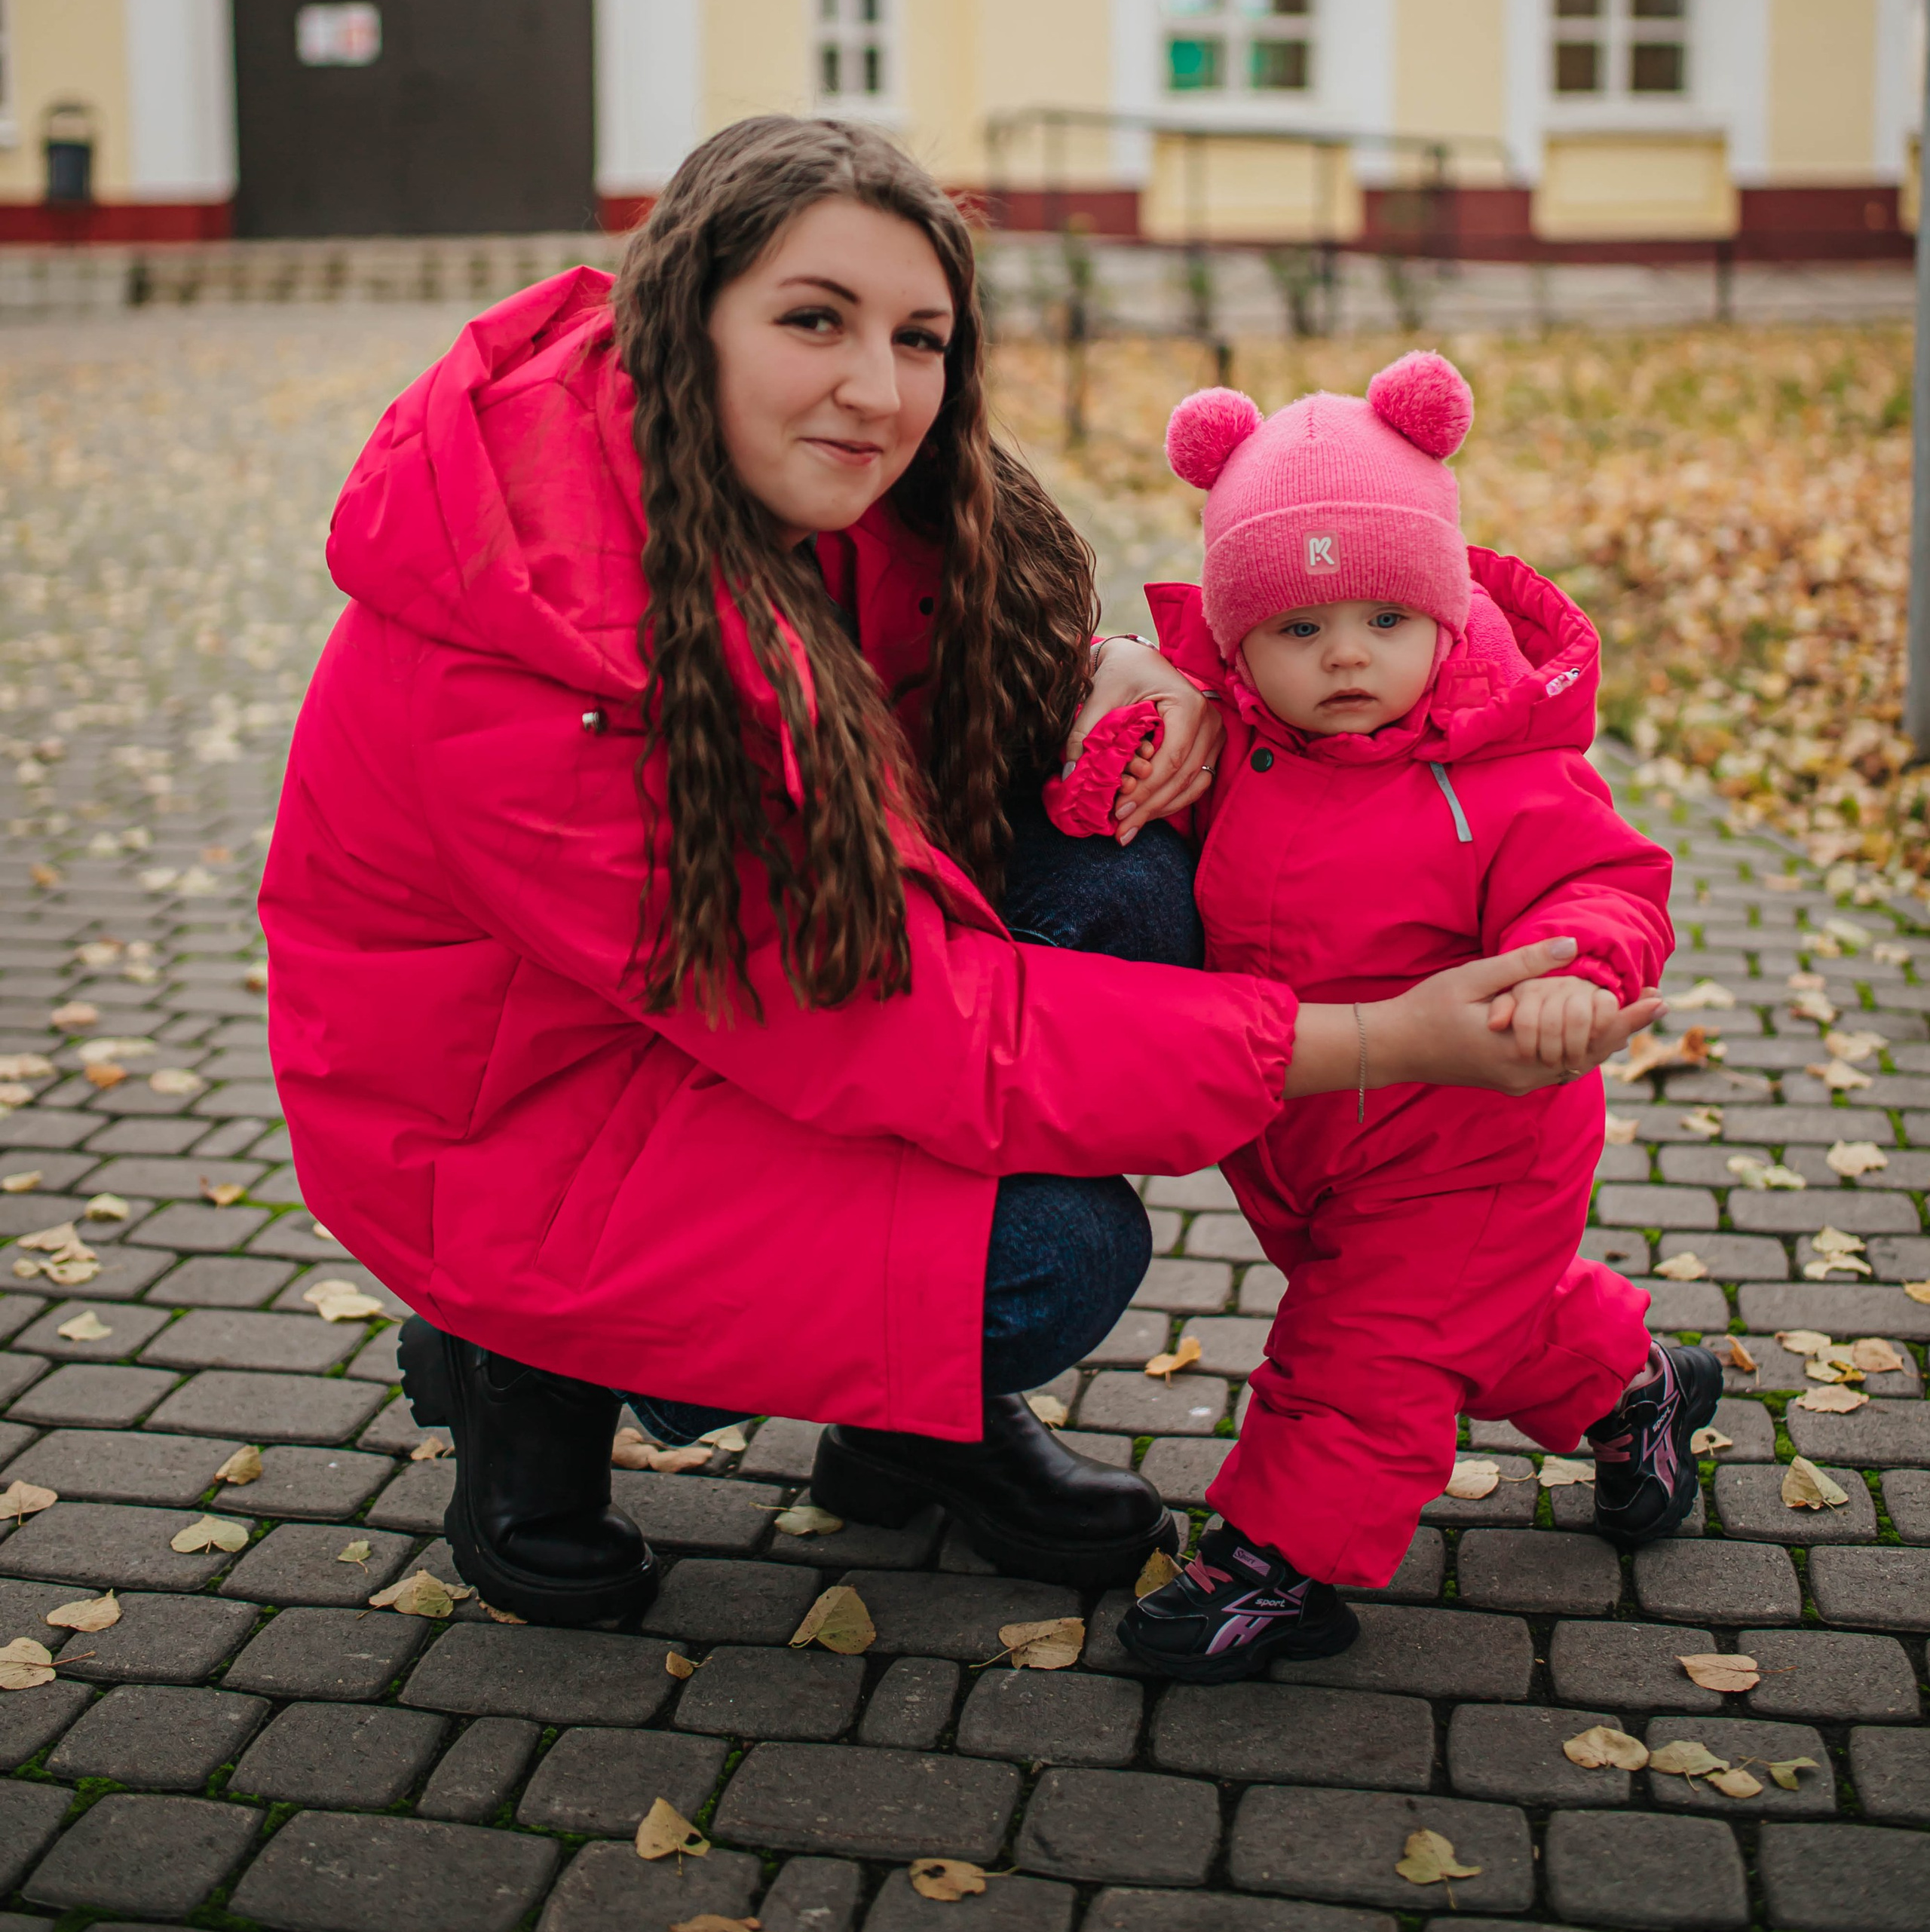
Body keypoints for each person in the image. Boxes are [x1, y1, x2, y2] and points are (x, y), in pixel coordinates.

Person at [260, 121, 1655, 1629]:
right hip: (517, 1123)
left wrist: (1118, 672)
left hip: (742, 1027)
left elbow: (939, 698)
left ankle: (905, 1417)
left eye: (917, 337)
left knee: (1127, 878)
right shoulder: (540, 659)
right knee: (1052, 1251)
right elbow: (909, 1029)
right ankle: (522, 1364)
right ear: (684, 317)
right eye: (815, 319)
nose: (878, 386)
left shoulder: (826, 484)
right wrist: (1381, 1042)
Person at [1047, 352, 1705, 1683]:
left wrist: (1573, 973)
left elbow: (1602, 882)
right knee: (1475, 1321)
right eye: (1297, 628)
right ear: (1238, 644)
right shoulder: (1236, 752)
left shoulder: (1504, 770)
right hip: (1304, 1132)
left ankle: (1279, 1566)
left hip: (1477, 1135)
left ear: (1445, 617)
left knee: (1364, 1349)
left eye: (1384, 618)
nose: (1345, 654)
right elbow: (1121, 812)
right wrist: (1114, 750)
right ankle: (1640, 1384)